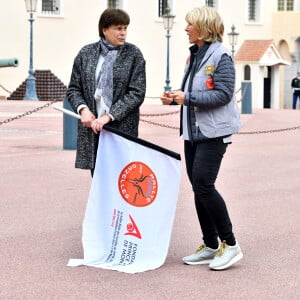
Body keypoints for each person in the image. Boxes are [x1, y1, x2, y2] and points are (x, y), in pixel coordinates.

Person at [160, 6, 243, 270]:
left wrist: (188, 98)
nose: (185, 28)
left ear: (203, 28)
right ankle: (209, 244)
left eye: (190, 25)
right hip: (193, 132)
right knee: (198, 187)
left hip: (213, 132)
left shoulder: (221, 56)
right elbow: (192, 91)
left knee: (204, 185)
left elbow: (223, 94)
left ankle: (230, 245)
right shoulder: (194, 56)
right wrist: (176, 97)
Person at [66, 8, 146, 175]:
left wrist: (108, 116)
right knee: (98, 180)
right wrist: (83, 110)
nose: (123, 33)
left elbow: (136, 93)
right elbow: (74, 88)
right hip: (93, 130)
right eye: (118, 28)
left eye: (125, 28)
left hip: (121, 129)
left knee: (122, 180)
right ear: (104, 29)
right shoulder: (86, 54)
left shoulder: (133, 54)